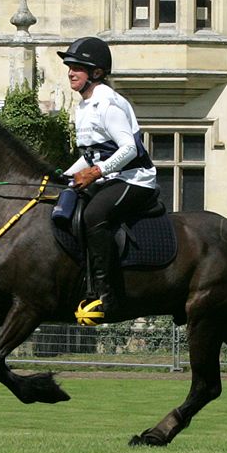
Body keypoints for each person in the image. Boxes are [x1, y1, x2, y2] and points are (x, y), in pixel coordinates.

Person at [57, 36, 158, 324]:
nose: (70, 73)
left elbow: (129, 149)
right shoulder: (84, 106)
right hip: (110, 178)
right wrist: (62, 177)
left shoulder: (108, 102)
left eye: (77, 67)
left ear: (97, 73)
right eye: (69, 67)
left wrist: (95, 172)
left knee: (94, 215)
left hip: (135, 179)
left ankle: (107, 296)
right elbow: (91, 156)